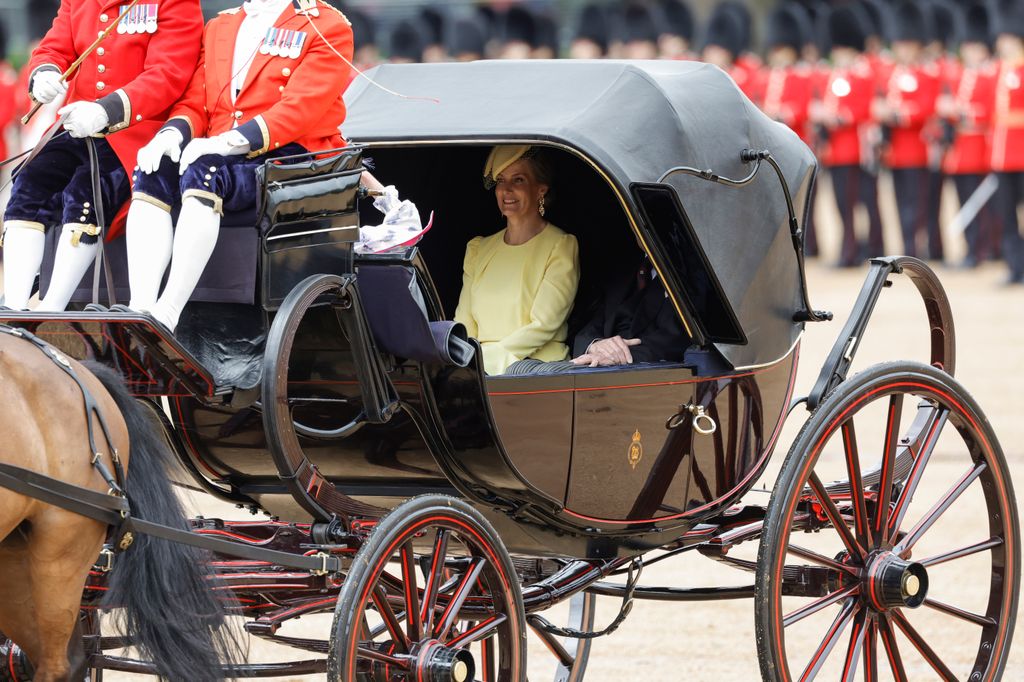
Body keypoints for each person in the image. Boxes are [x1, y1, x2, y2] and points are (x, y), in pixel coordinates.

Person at [123, 0, 354, 331]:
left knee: (206, 171)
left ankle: (169, 311)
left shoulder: (326, 25)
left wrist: (226, 142)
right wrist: (171, 135)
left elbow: (300, 108)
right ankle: (141, 308)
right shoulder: (221, 25)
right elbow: (197, 101)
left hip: (288, 154)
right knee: (152, 169)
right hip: (221, 148)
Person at [1, 0, 203, 311]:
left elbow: (168, 74)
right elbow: (54, 48)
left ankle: (51, 307)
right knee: (28, 183)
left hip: (135, 130)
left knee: (85, 195)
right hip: (76, 123)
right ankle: (13, 309)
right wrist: (44, 73)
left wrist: (106, 110)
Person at [454, 146, 579, 375]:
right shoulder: (478, 248)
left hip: (535, 370)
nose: (506, 189)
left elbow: (544, 325)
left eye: (518, 180)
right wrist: (469, 364)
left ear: (541, 190)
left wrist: (487, 362)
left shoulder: (561, 245)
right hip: (480, 373)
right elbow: (464, 323)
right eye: (501, 180)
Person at [570, 254, 686, 368]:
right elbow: (596, 317)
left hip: (650, 372)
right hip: (597, 367)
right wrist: (594, 344)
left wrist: (617, 355)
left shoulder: (686, 270)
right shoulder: (619, 264)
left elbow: (675, 338)